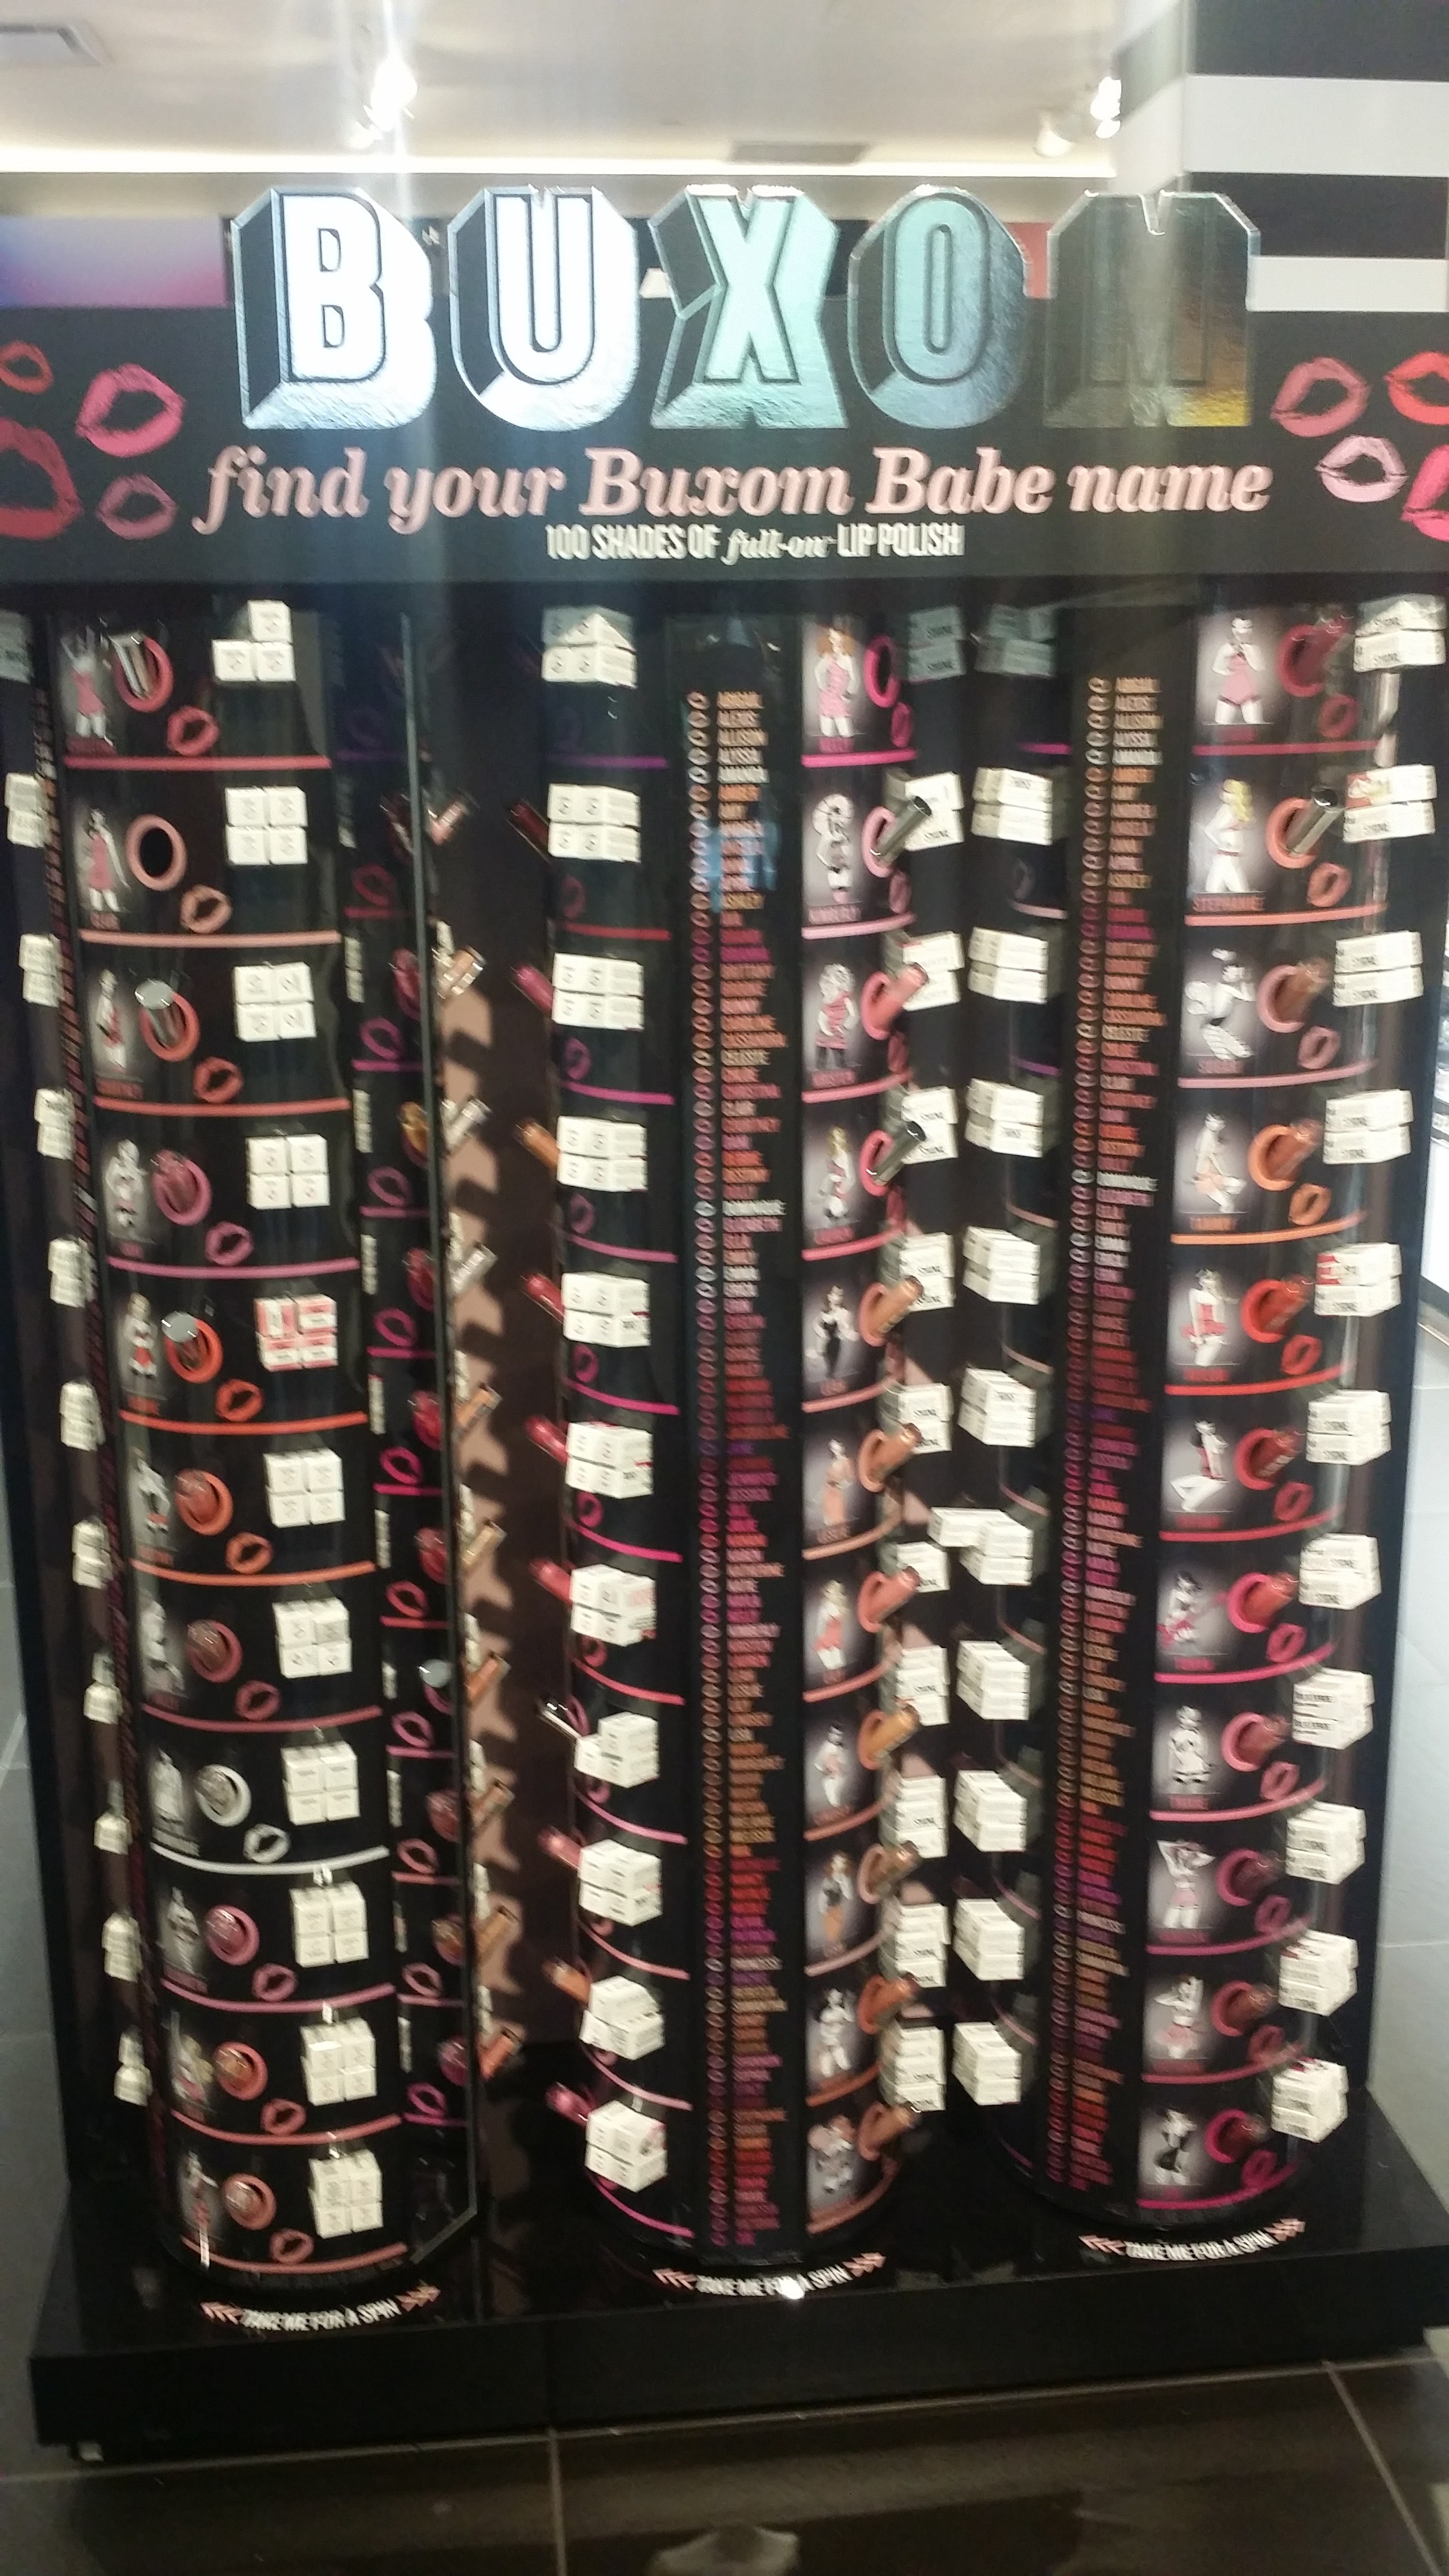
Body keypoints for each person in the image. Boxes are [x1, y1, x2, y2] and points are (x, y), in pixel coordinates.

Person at [1198, 778, 1254, 894]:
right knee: (1235, 891)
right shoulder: (1226, 809)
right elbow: (1209, 830)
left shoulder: (1236, 810)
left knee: (1220, 890)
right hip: (1225, 858)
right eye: (1226, 792)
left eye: (1229, 792)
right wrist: (1221, 844)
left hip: (1232, 858)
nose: (1224, 794)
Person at [1211, 615, 1265, 726]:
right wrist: (1226, 662)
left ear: (1250, 630)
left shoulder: (1255, 649)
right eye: (1236, 627)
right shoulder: (1226, 648)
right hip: (1229, 692)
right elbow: (1216, 667)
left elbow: (1259, 668)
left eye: (1244, 628)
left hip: (1249, 692)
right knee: (1221, 726)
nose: (1240, 631)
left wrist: (1247, 650)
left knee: (1255, 726)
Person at [1191, 1113, 1244, 1216]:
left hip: (1206, 1166)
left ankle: (1229, 1199)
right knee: (1211, 1185)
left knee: (1211, 1186)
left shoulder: (1209, 1135)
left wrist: (1220, 1169)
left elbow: (1211, 1155)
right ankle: (1233, 1191)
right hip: (1205, 1165)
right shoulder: (1208, 1135)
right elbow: (1208, 1154)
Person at [814, 626, 859, 742]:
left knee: (846, 732)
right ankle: (828, 751)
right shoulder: (829, 657)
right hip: (827, 698)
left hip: (840, 698)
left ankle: (847, 751)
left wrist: (848, 694)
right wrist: (823, 687)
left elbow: (855, 679)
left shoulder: (848, 659)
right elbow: (818, 671)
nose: (834, 641)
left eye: (837, 637)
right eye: (832, 637)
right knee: (827, 733)